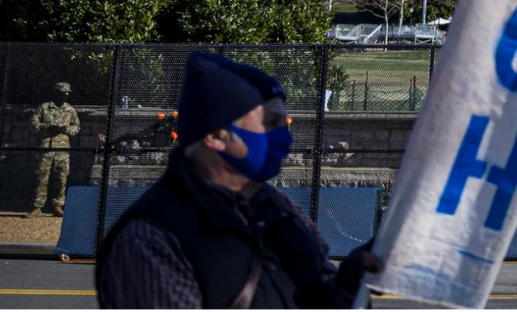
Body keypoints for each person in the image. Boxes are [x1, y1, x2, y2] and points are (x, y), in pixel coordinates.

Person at [96, 52, 383, 308]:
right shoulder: (152, 240)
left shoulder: (281, 209)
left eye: (285, 125)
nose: (285, 138)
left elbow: (323, 297)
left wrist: (349, 282)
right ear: (216, 136)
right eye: (270, 124)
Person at [29, 82, 79, 217]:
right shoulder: (44, 108)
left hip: (62, 149)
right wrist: (48, 127)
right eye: (63, 93)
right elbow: (33, 124)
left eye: (67, 93)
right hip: (45, 148)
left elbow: (76, 127)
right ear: (56, 93)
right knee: (41, 177)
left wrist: (66, 129)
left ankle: (58, 205)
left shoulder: (70, 110)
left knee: (61, 178)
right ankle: (37, 207)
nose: (66, 95)